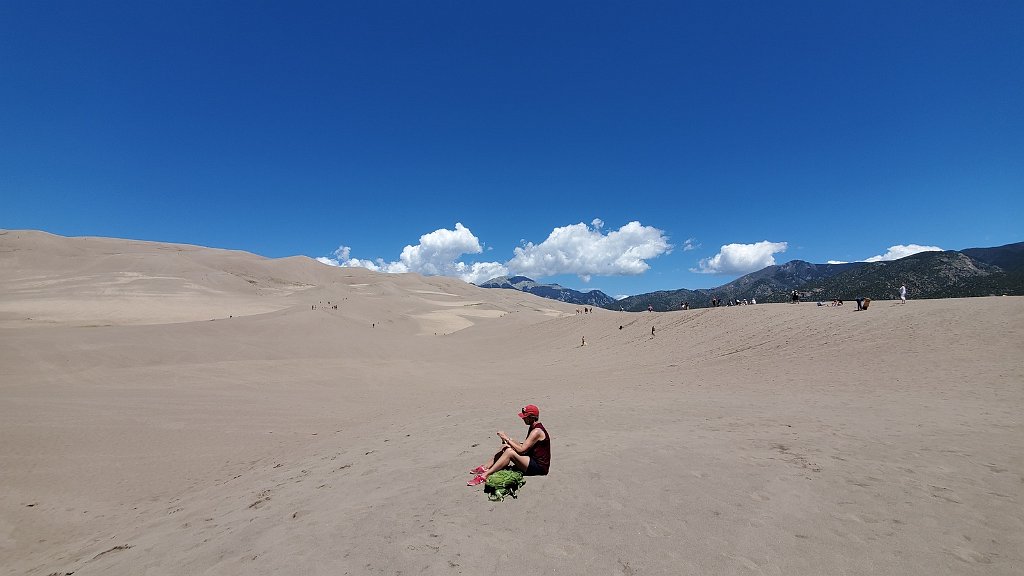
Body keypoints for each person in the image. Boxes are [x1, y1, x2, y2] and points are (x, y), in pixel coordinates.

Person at [468, 404, 550, 486]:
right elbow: (525, 446)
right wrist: (509, 441)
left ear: (532, 417)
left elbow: (522, 450)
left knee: (509, 452)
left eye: (525, 417)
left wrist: (506, 438)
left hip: (539, 467)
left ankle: (485, 475)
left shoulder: (536, 431)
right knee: (506, 447)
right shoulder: (533, 427)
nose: (523, 419)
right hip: (531, 458)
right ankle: (485, 467)